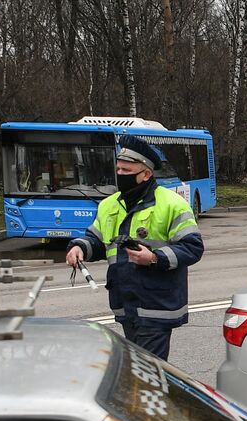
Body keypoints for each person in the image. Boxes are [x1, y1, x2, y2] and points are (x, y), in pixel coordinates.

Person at [66, 139, 203, 360]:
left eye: (127, 170)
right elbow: (97, 240)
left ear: (146, 174)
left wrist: (154, 258)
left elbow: (192, 247)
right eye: (118, 169)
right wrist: (80, 248)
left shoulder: (172, 204)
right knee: (139, 373)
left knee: (147, 375)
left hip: (156, 305)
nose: (120, 174)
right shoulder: (109, 204)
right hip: (125, 305)